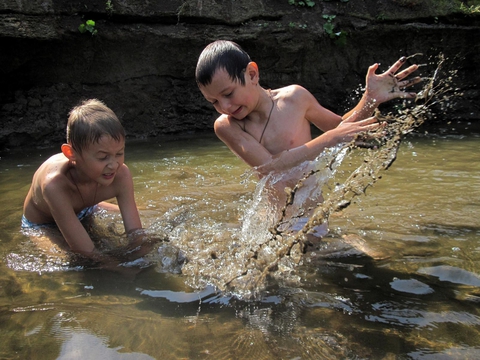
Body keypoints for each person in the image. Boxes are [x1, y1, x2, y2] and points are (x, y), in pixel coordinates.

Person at [195, 40, 421, 237]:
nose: (223, 107)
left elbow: (340, 128)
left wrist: (370, 99)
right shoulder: (226, 126)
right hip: (274, 220)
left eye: (228, 94)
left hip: (312, 214)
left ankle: (348, 240)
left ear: (252, 74)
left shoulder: (295, 98)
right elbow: (269, 167)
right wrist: (330, 139)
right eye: (213, 101)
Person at [22, 99, 152, 264]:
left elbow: (136, 235)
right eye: (103, 157)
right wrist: (123, 269)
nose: (113, 165)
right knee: (72, 262)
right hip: (43, 224)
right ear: (70, 153)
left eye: (119, 153)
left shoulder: (121, 174)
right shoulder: (54, 185)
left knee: (149, 213)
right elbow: (86, 251)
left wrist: (144, 259)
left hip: (85, 209)